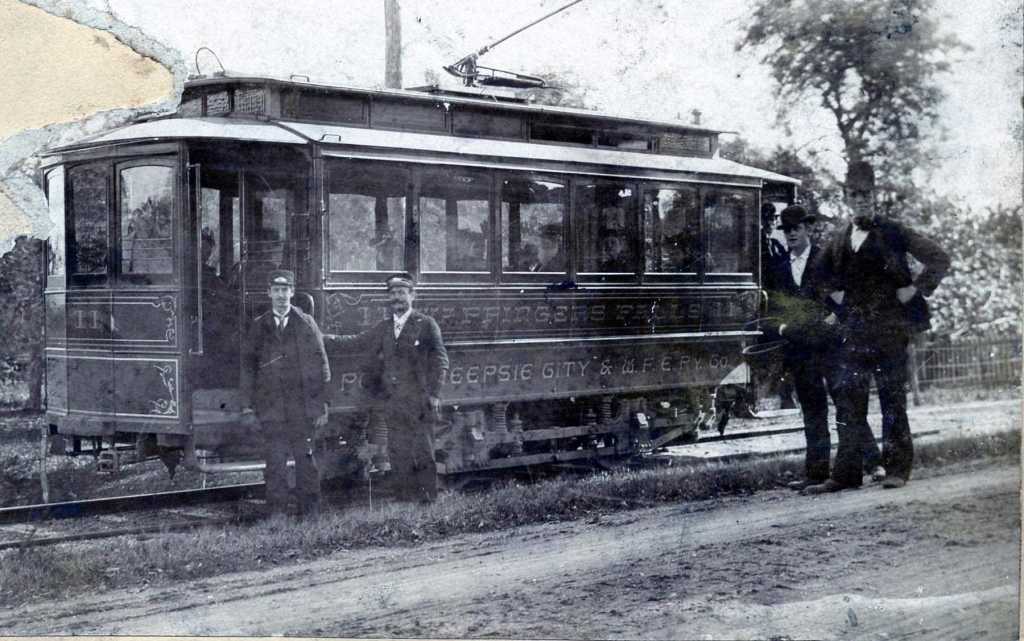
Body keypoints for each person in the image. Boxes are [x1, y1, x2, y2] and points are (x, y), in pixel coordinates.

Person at [804, 161, 950, 494]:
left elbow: (939, 257)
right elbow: (818, 275)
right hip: (853, 333)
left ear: (875, 195)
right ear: (846, 197)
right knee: (849, 403)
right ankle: (846, 474)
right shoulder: (840, 237)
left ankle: (896, 469)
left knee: (891, 399)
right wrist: (836, 299)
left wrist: (916, 289)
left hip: (889, 330)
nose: (861, 200)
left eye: (866, 193)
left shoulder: (893, 230)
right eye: (855, 194)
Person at [766, 205, 883, 490]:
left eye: (796, 228)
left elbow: (847, 294)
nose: (791, 233)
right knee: (812, 410)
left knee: (845, 407)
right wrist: (782, 328)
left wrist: (833, 319)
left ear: (808, 228)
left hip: (831, 345)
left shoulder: (826, 258)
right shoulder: (780, 267)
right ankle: (815, 473)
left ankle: (864, 466)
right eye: (786, 229)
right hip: (800, 349)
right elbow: (775, 306)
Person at [324, 273, 449, 503]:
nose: (396, 298)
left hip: (419, 401)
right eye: (392, 294)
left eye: (401, 293)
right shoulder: (384, 327)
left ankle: (429, 502)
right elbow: (357, 340)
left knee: (423, 452)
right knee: (398, 452)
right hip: (394, 402)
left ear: (412, 295)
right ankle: (404, 500)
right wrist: (321, 338)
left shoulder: (426, 324)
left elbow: (441, 361)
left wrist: (435, 394)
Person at [240, 270, 331, 518]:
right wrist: (247, 407)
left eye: (285, 290)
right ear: (269, 293)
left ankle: (310, 515)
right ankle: (277, 515)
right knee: (275, 464)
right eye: (276, 290)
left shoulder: (307, 323)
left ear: (292, 292)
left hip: (302, 408)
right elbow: (248, 368)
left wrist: (322, 405)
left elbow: (322, 364)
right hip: (271, 408)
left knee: (306, 462)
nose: (281, 295)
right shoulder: (259, 326)